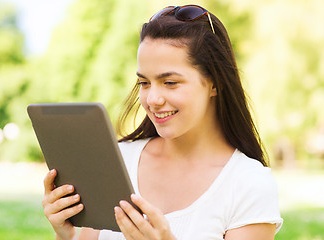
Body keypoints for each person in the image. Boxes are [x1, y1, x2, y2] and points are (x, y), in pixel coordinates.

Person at [42, 4, 283, 240]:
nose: (153, 99)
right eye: (144, 83)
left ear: (214, 83)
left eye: (170, 82)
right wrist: (66, 236)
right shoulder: (116, 162)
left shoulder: (248, 184)